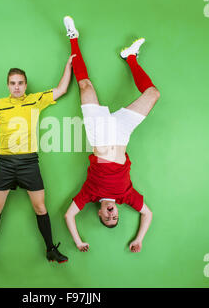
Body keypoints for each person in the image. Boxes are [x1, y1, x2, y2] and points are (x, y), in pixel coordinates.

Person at [0, 56, 75, 264]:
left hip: (29, 163)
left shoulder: (35, 100)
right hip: (5, 163)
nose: (17, 87)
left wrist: (68, 66)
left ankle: (50, 249)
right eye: (13, 83)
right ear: (8, 85)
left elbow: (62, 89)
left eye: (20, 83)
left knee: (40, 208)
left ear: (25, 84)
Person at [63, 16, 159, 253]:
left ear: (99, 213)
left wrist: (78, 242)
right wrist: (139, 239)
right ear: (117, 212)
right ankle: (130, 57)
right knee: (153, 94)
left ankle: (73, 38)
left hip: (99, 134)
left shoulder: (90, 193)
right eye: (114, 218)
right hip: (122, 132)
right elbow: (148, 213)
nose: (111, 215)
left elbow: (69, 215)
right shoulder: (128, 197)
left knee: (85, 85)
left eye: (107, 218)